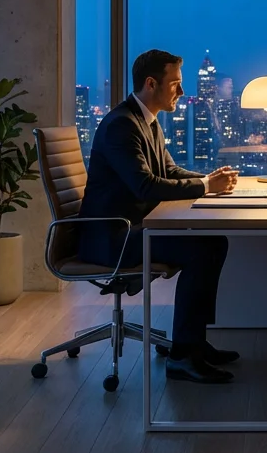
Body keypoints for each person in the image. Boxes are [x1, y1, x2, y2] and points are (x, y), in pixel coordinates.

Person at [77, 49, 241, 384]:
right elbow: (145, 186)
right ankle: (183, 355)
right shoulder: (122, 125)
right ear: (151, 84)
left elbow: (168, 171)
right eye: (175, 83)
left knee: (213, 242)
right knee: (203, 248)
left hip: (131, 228)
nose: (182, 91)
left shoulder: (146, 121)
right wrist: (205, 186)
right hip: (112, 238)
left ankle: (194, 343)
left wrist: (209, 180)